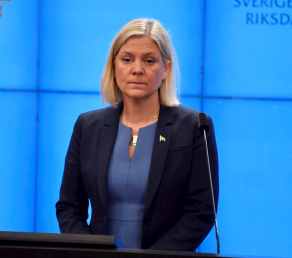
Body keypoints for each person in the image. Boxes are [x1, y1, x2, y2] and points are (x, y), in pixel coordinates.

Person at [56, 18, 218, 252]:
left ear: (166, 68)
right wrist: (89, 251)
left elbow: (201, 212)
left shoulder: (194, 126)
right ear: (114, 66)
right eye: (127, 59)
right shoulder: (87, 126)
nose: (137, 69)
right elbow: (69, 207)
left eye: (149, 60)